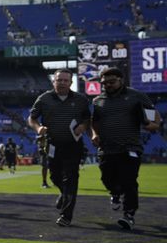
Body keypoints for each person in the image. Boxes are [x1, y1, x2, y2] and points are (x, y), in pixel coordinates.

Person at [90, 67, 162, 230]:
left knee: (129, 182)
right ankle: (115, 193)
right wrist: (94, 134)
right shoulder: (98, 101)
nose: (107, 85)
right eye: (104, 83)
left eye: (111, 82)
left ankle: (128, 215)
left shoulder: (136, 96)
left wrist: (154, 125)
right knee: (106, 179)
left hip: (130, 147)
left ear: (121, 80)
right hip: (106, 148)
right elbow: (95, 122)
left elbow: (154, 115)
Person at [28, 69, 91, 227]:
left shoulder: (81, 99)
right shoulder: (44, 99)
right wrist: (38, 128)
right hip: (52, 144)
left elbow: (87, 118)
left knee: (71, 179)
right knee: (54, 176)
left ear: (71, 82)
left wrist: (83, 126)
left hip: (73, 145)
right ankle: (64, 194)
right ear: (53, 81)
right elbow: (32, 118)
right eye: (59, 80)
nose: (62, 83)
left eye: (65, 80)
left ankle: (66, 215)